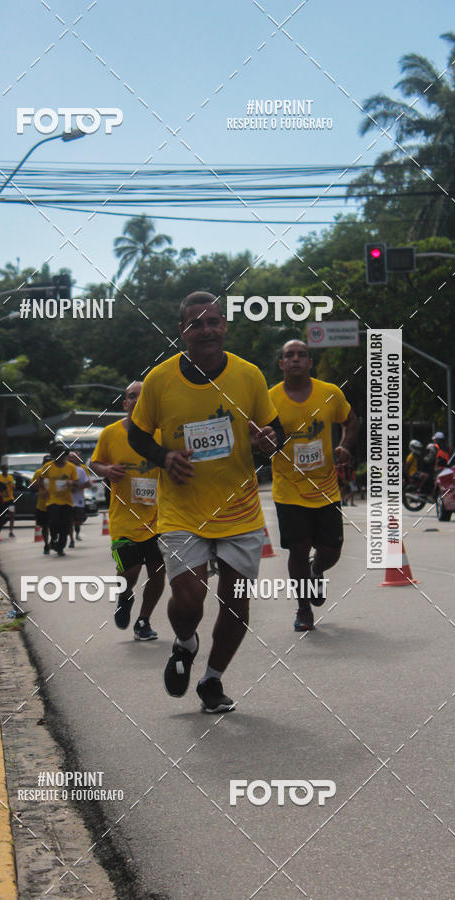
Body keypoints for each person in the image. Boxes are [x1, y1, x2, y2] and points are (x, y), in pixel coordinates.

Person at [128, 292, 283, 712]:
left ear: (225, 327)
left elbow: (273, 429)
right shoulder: (159, 380)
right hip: (182, 508)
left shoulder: (248, 375)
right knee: (189, 595)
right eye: (197, 323)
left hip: (239, 507)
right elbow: (137, 433)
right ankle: (185, 642)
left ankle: (212, 680)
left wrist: (267, 441)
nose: (207, 329)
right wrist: (164, 457)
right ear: (183, 332)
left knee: (236, 602)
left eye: (214, 321)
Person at [268, 340, 358, 633]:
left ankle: (316, 570)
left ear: (310, 362)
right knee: (298, 547)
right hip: (288, 487)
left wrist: (344, 446)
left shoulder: (330, 393)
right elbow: (258, 437)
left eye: (301, 355)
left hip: (325, 487)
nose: (295, 359)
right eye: (288, 355)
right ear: (281, 364)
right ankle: (303, 609)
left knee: (332, 550)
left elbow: (351, 421)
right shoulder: (268, 400)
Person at [90, 382, 165, 641]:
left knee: (157, 570)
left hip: (160, 518)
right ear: (125, 404)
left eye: (142, 396)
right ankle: (125, 596)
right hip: (123, 519)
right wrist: (107, 471)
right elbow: (94, 463)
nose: (136, 400)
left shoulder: (162, 432)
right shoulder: (110, 434)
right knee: (130, 571)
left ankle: (144, 620)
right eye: (131, 397)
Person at [42, 443, 78, 556]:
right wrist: (44, 490)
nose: (61, 458)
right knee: (55, 522)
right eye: (58, 455)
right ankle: (53, 538)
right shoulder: (47, 466)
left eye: (63, 455)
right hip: (52, 500)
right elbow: (41, 480)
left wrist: (72, 483)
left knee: (65, 525)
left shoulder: (71, 467)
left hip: (67, 501)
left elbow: (76, 483)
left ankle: (60, 547)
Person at [31, 454, 52, 554]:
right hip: (42, 505)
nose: (47, 465)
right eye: (45, 463)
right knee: (45, 526)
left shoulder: (54, 472)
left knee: (55, 525)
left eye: (49, 462)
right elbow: (32, 486)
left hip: (54, 503)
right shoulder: (38, 473)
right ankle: (46, 544)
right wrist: (38, 483)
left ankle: (53, 540)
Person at [68, 456, 90, 547]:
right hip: (67, 500)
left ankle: (77, 530)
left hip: (78, 500)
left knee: (78, 520)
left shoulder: (80, 470)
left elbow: (88, 483)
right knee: (70, 521)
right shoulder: (64, 469)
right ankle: (71, 539)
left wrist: (78, 487)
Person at [0, 463, 16, 537]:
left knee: (12, 515)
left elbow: (14, 486)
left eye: (7, 469)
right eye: (4, 469)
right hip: (2, 499)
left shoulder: (10, 477)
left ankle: (11, 531)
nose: (6, 470)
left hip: (10, 499)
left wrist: (11, 484)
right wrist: (4, 484)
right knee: (2, 516)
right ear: (2, 470)